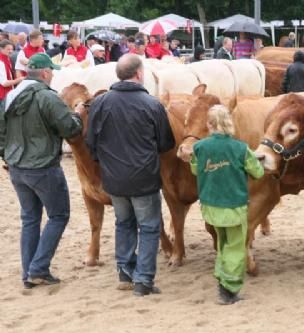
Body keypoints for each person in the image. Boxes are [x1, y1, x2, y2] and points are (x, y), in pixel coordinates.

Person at [86, 54, 175, 297]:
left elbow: (90, 142)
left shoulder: (100, 104)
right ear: (139, 73)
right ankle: (144, 280)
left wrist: (107, 163)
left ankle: (125, 273)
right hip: (143, 176)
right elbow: (166, 142)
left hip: (113, 177)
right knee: (148, 226)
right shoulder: (152, 104)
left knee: (123, 223)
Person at [0, 53, 83, 289]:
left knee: (30, 219)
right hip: (43, 166)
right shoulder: (48, 97)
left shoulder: (9, 97)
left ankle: (29, 272)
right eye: (52, 72)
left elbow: (0, 132)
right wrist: (77, 114)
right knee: (58, 215)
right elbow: (70, 129)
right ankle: (38, 268)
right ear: (45, 73)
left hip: (17, 166)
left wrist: (6, 156)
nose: (53, 75)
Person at [188, 104, 264, 305]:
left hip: (210, 206)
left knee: (222, 245)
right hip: (233, 205)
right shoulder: (240, 148)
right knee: (235, 248)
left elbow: (196, 170)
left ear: (209, 124)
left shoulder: (199, 147)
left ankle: (222, 278)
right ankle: (228, 289)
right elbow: (258, 172)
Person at [0, 40, 24, 110]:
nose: (11, 51)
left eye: (12, 49)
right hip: (2, 97)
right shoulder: (1, 62)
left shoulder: (7, 59)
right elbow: (4, 83)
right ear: (1, 49)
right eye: (8, 49)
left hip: (6, 96)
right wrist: (19, 80)